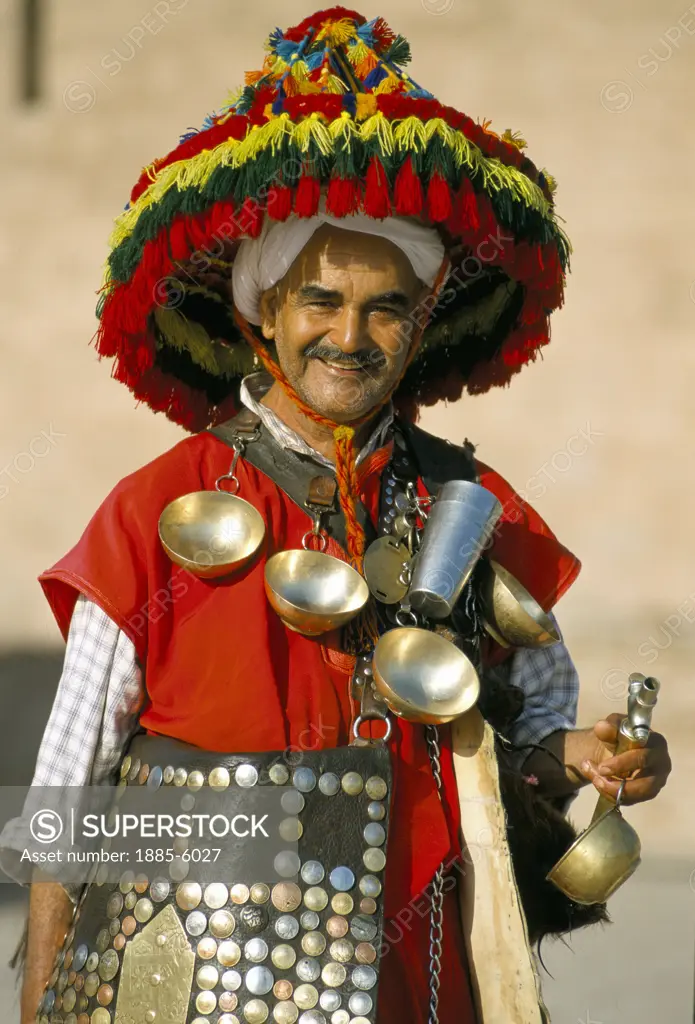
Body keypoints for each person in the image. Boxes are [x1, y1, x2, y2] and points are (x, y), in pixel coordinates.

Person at [3, 8, 671, 1024]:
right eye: (318, 300)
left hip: (422, 973)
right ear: (261, 313)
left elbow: (533, 725)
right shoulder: (150, 515)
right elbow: (65, 798)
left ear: (420, 321)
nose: (348, 336)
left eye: (384, 307)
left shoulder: (475, 514)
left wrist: (583, 754)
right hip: (199, 983)